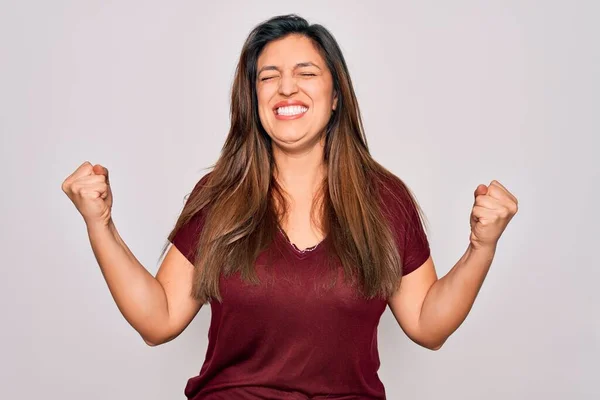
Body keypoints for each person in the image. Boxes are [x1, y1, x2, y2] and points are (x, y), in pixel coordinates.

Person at [61, 14, 518, 400]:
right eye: (268, 76)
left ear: (336, 96)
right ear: (253, 99)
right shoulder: (219, 195)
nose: (286, 89)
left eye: (306, 73)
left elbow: (427, 325)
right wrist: (100, 224)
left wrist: (482, 247)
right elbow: (157, 320)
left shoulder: (384, 199)